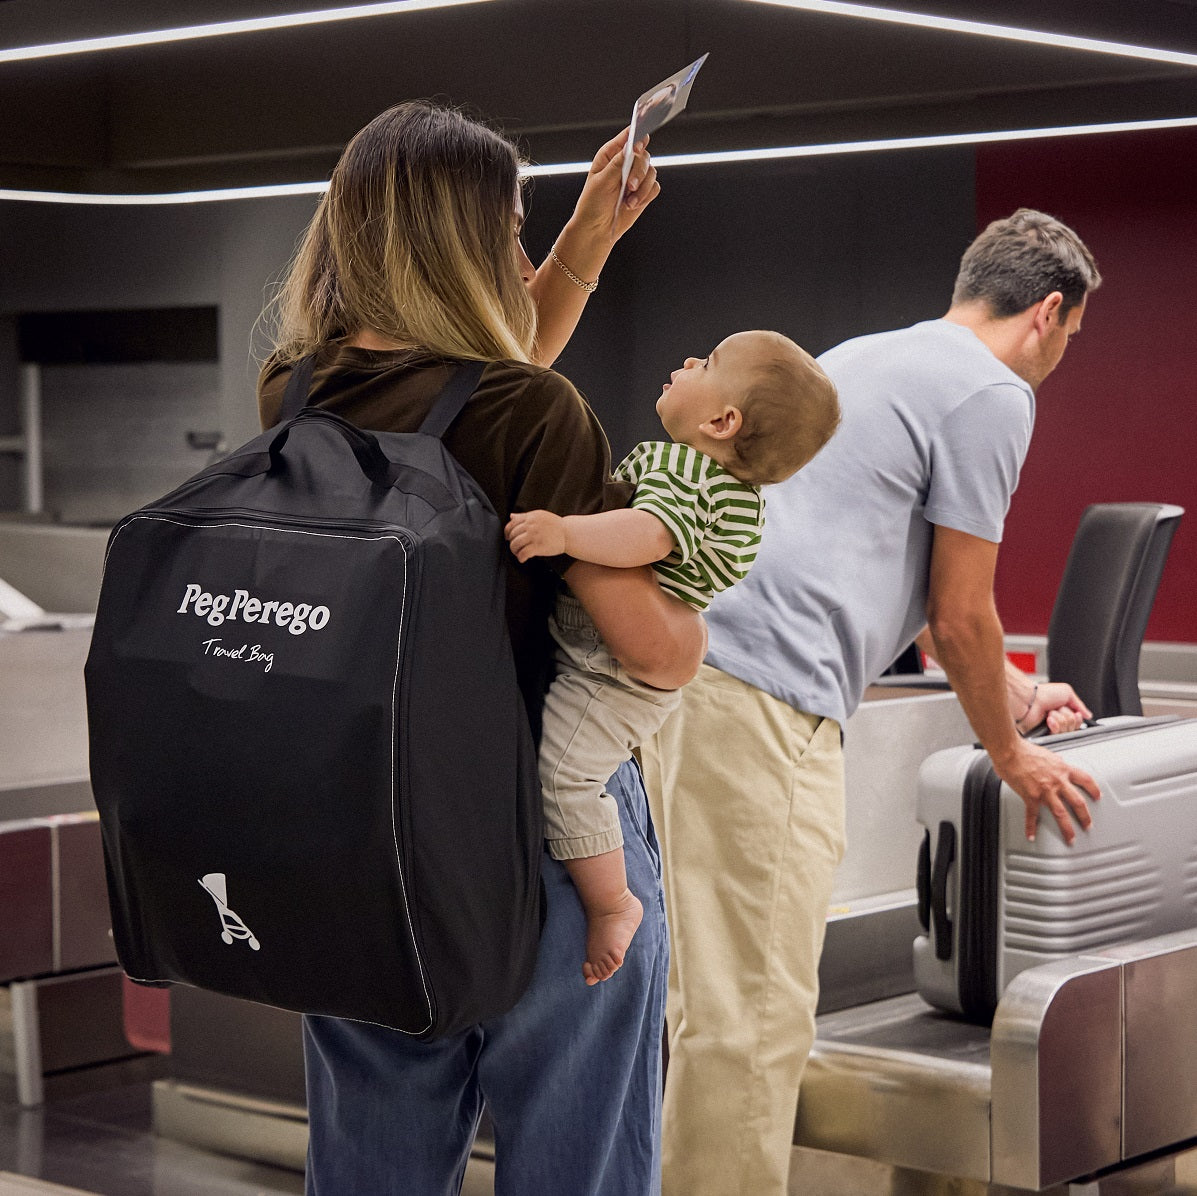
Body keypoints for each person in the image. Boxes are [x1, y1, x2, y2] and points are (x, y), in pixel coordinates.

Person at [257, 100, 706, 1195]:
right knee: (577, 1163)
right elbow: (652, 653)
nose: (518, 254)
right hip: (542, 849)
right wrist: (696, 603)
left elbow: (469, 394)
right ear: (456, 246)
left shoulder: (296, 389)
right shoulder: (538, 414)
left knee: (371, 1164)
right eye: (507, 230)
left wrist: (581, 246)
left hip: (359, 841)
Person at [638, 208, 1104, 1195]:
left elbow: (919, 604)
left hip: (697, 680)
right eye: (1072, 336)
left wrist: (1018, 694)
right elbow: (960, 607)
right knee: (752, 1022)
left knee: (718, 1011)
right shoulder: (993, 392)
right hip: (763, 700)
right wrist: (1014, 756)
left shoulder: (870, 357)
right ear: (1050, 313)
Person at [505, 330, 839, 985]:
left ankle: (611, 905)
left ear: (722, 421)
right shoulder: (708, 478)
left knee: (565, 780)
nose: (687, 360)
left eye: (708, 363)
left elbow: (649, 536)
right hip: (602, 659)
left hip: (608, 675)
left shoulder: (698, 477)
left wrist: (564, 533)